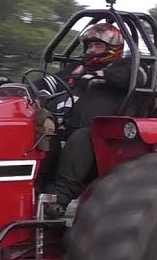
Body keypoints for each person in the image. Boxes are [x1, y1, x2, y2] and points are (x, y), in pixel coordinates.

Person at [36, 22, 142, 218]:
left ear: (113, 48)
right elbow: (49, 82)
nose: (92, 50)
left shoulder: (126, 67)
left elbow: (134, 77)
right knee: (43, 135)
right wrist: (22, 87)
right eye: (89, 45)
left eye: (98, 45)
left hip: (101, 140)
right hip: (62, 130)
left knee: (80, 138)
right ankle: (34, 190)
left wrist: (100, 76)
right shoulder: (77, 69)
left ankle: (60, 198)